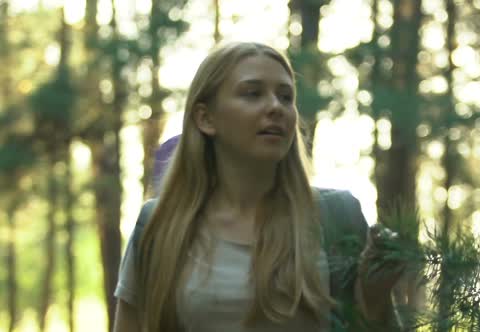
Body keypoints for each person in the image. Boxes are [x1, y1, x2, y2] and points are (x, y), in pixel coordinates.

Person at [113, 41, 404, 332]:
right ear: (205, 118)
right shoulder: (159, 224)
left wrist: (375, 299)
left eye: (286, 96)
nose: (276, 107)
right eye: (252, 94)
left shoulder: (337, 216)